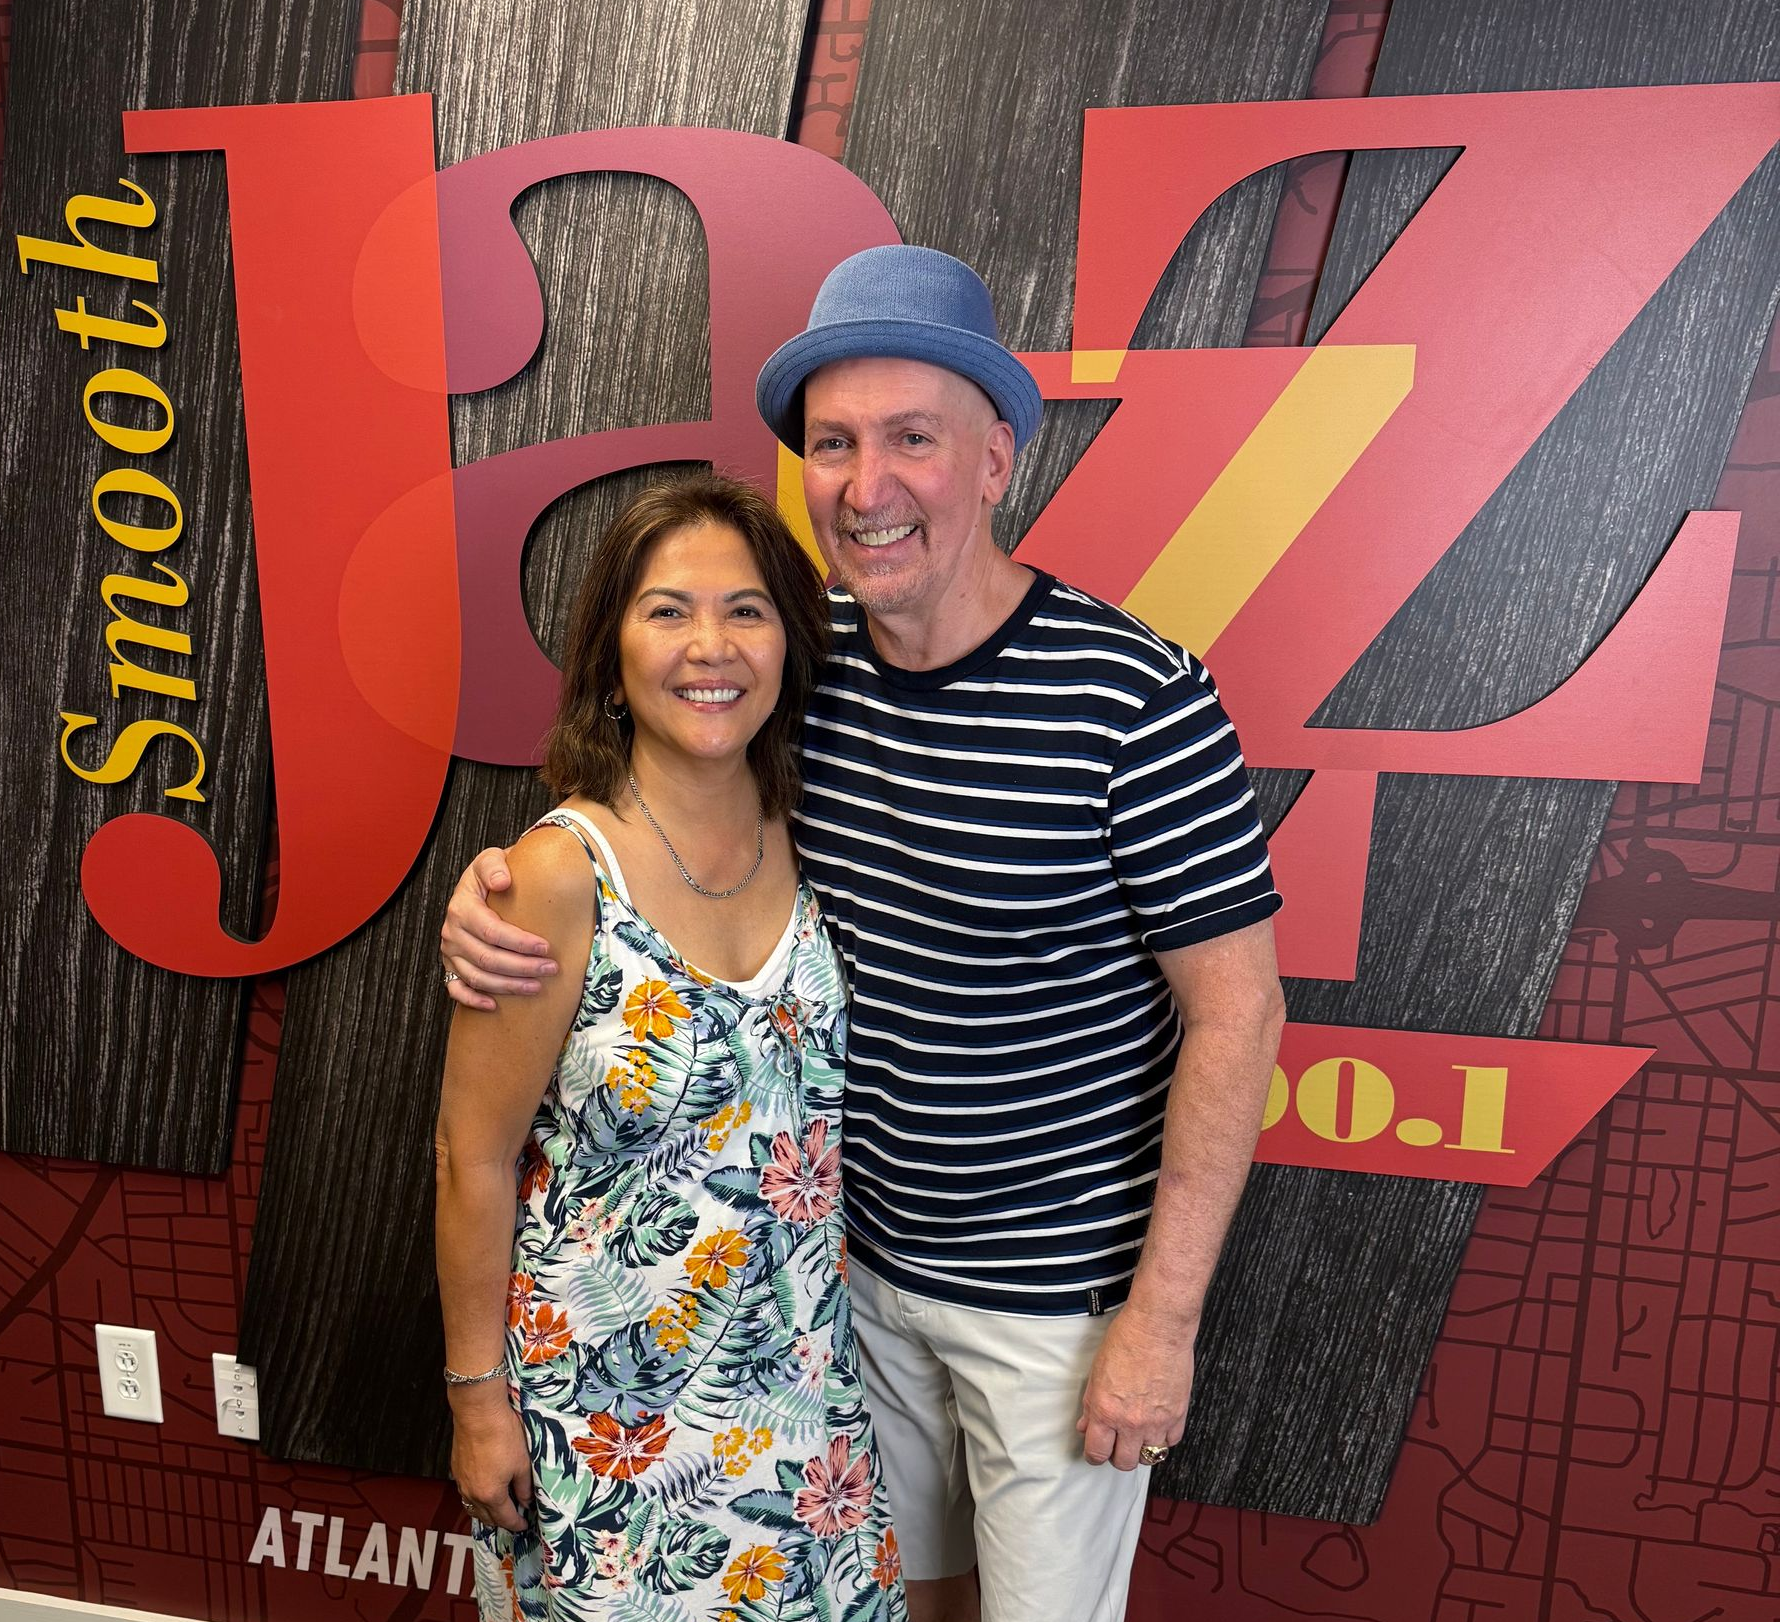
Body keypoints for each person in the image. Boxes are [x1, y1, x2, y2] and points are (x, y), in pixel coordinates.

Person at [439, 247, 1286, 1622]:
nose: (867, 483)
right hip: (845, 1286)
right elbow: (645, 819)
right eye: (834, 443)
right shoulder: (794, 662)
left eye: (912, 439)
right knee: (896, 1602)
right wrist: (493, 895)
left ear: (995, 459)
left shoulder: (1135, 697)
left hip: (1055, 1307)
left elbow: (1239, 1011)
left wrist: (1162, 1319)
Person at [434, 472, 909, 1622]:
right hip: (610, 1423)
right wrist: (477, 1401)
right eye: (667, 610)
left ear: (789, 645)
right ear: (611, 657)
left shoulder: (811, 832)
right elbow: (470, 1157)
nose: (711, 645)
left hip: (802, 1408)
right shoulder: (556, 874)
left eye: (747, 609)